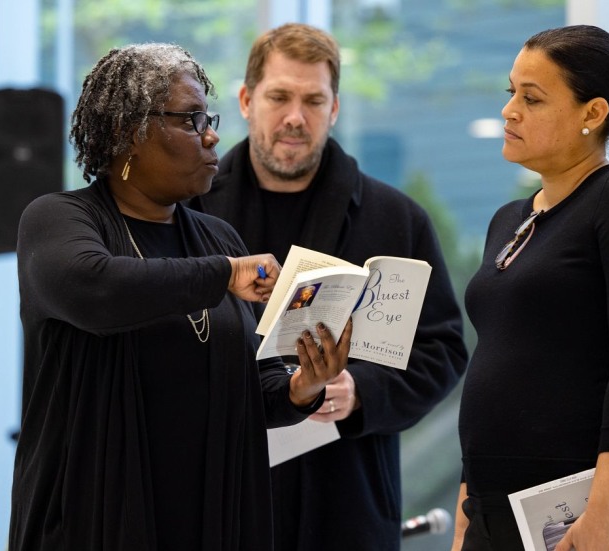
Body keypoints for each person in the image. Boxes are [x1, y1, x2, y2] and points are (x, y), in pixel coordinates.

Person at [7, 42, 352, 551]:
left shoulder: (218, 239)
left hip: (212, 521)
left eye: (207, 117)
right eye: (190, 120)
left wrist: (304, 386)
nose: (212, 134)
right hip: (93, 522)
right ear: (129, 132)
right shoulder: (58, 220)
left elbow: (254, 390)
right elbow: (96, 289)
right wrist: (223, 275)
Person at [188, 23, 468, 550]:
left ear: (335, 109)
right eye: (279, 97)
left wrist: (362, 391)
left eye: (314, 100)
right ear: (247, 100)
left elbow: (443, 351)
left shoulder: (397, 219)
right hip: (220, 497)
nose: (296, 117)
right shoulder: (190, 213)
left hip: (348, 500)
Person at [452, 25, 609, 551]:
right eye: (511, 93)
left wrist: (606, 506)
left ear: (592, 114)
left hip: (578, 509)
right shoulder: (509, 217)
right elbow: (497, 364)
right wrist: (467, 508)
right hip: (491, 508)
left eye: (531, 98)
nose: (509, 111)